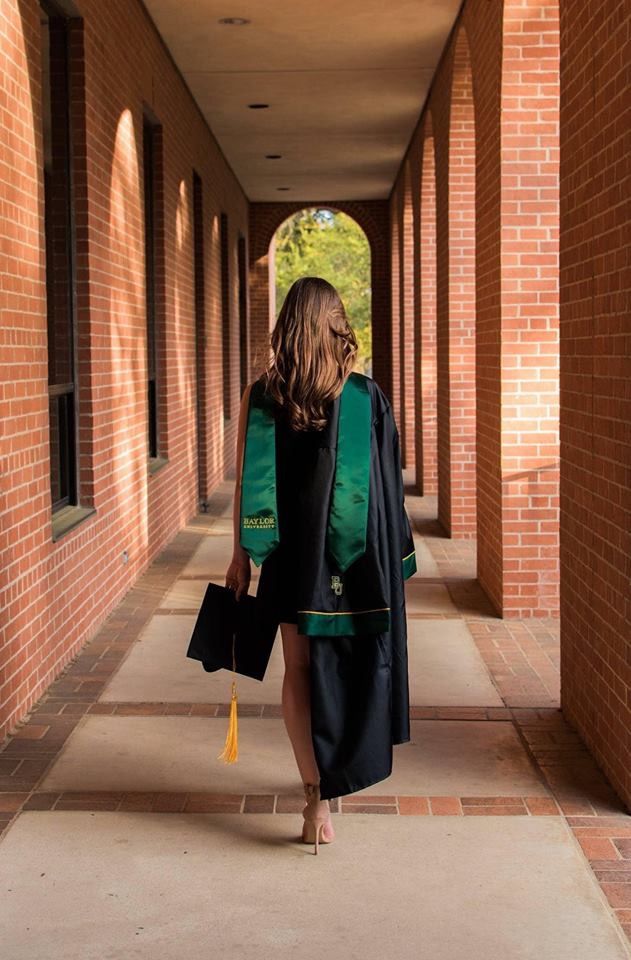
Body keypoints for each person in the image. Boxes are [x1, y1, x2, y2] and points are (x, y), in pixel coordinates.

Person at [225, 276, 417, 853]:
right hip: (351, 561)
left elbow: (246, 484)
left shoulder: (262, 397)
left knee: (299, 670)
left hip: (288, 559)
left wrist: (240, 554)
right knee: (346, 666)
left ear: (286, 327)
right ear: (336, 325)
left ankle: (315, 798)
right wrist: (395, 556)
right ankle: (334, 778)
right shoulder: (364, 396)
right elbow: (388, 487)